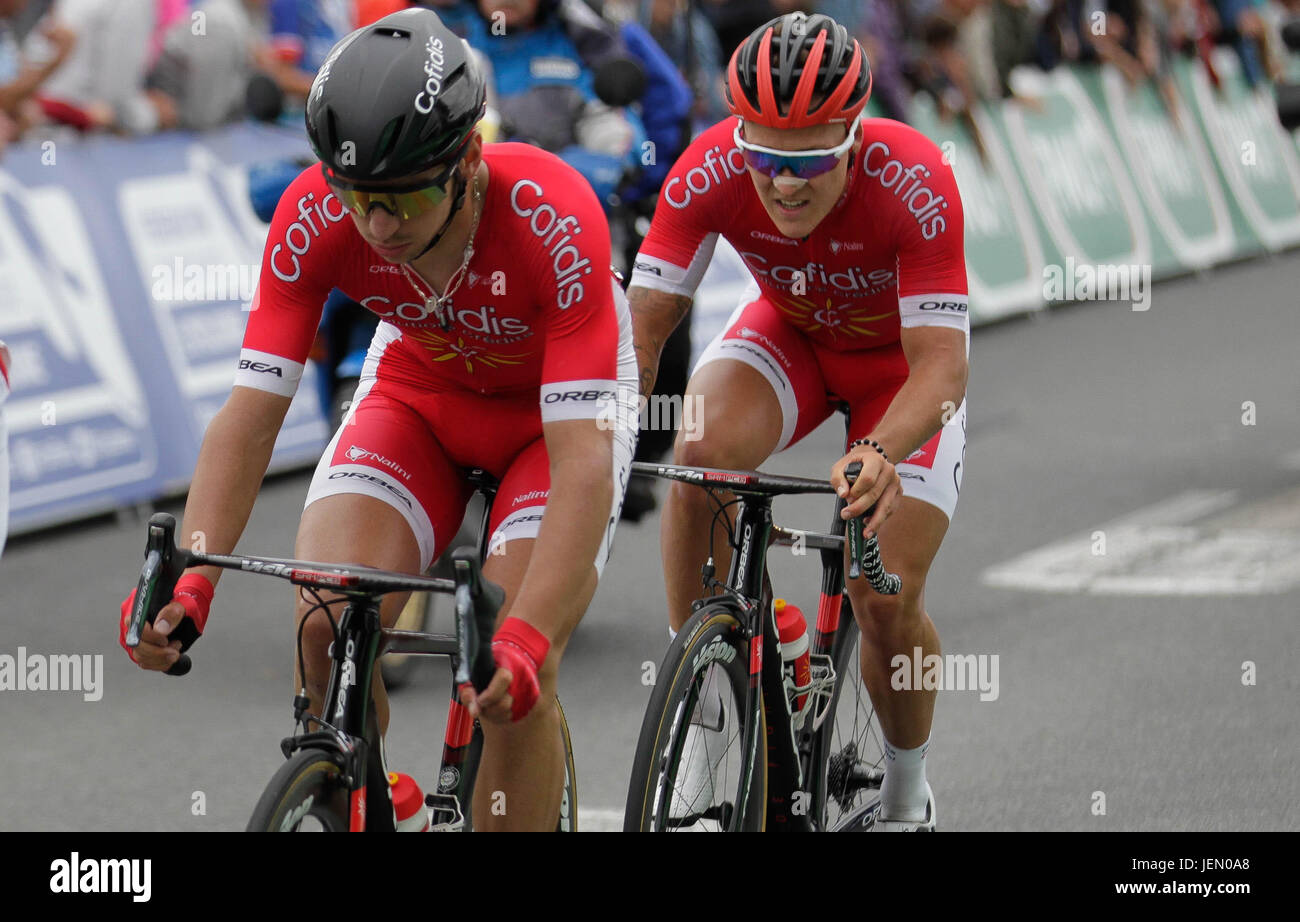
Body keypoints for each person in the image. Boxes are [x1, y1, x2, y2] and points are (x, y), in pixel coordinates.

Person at [118, 7, 637, 832]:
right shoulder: (313, 214)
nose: (377, 225)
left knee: (504, 674)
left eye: (404, 197)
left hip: (553, 426)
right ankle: (385, 806)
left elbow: (581, 462)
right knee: (325, 620)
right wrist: (192, 578)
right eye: (355, 195)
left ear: (469, 159)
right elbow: (250, 418)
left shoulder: (554, 213)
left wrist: (532, 642)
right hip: (421, 399)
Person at [628, 11, 969, 831]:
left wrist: (883, 451)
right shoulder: (708, 167)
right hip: (796, 339)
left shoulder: (915, 180)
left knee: (881, 596)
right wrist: (596, 441)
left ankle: (905, 793)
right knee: (700, 451)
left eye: (810, 160)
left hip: (898, 371)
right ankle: (705, 719)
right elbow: (641, 330)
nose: (783, 183)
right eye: (766, 158)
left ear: (855, 134)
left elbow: (942, 369)